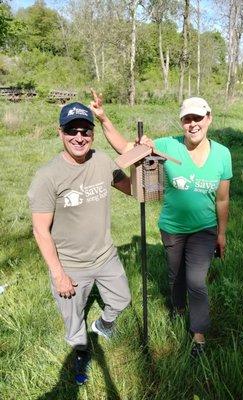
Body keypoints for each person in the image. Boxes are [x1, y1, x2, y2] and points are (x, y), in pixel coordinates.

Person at [90, 92, 232, 356]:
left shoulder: (223, 154)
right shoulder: (168, 145)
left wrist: (221, 233)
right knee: (175, 275)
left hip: (205, 229)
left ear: (209, 119)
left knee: (197, 281)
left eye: (198, 118)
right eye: (187, 119)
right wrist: (103, 118)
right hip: (172, 229)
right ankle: (178, 309)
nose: (193, 124)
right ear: (182, 123)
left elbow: (222, 200)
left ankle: (198, 336)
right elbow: (124, 149)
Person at [28, 102, 132, 384]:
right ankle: (80, 352)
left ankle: (103, 325)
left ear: (92, 134)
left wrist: (148, 161)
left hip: (105, 256)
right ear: (60, 133)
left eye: (85, 130)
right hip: (71, 265)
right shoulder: (47, 177)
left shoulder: (102, 162)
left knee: (122, 299)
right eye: (71, 130)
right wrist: (59, 274)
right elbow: (40, 230)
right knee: (74, 322)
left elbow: (133, 189)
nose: (79, 137)